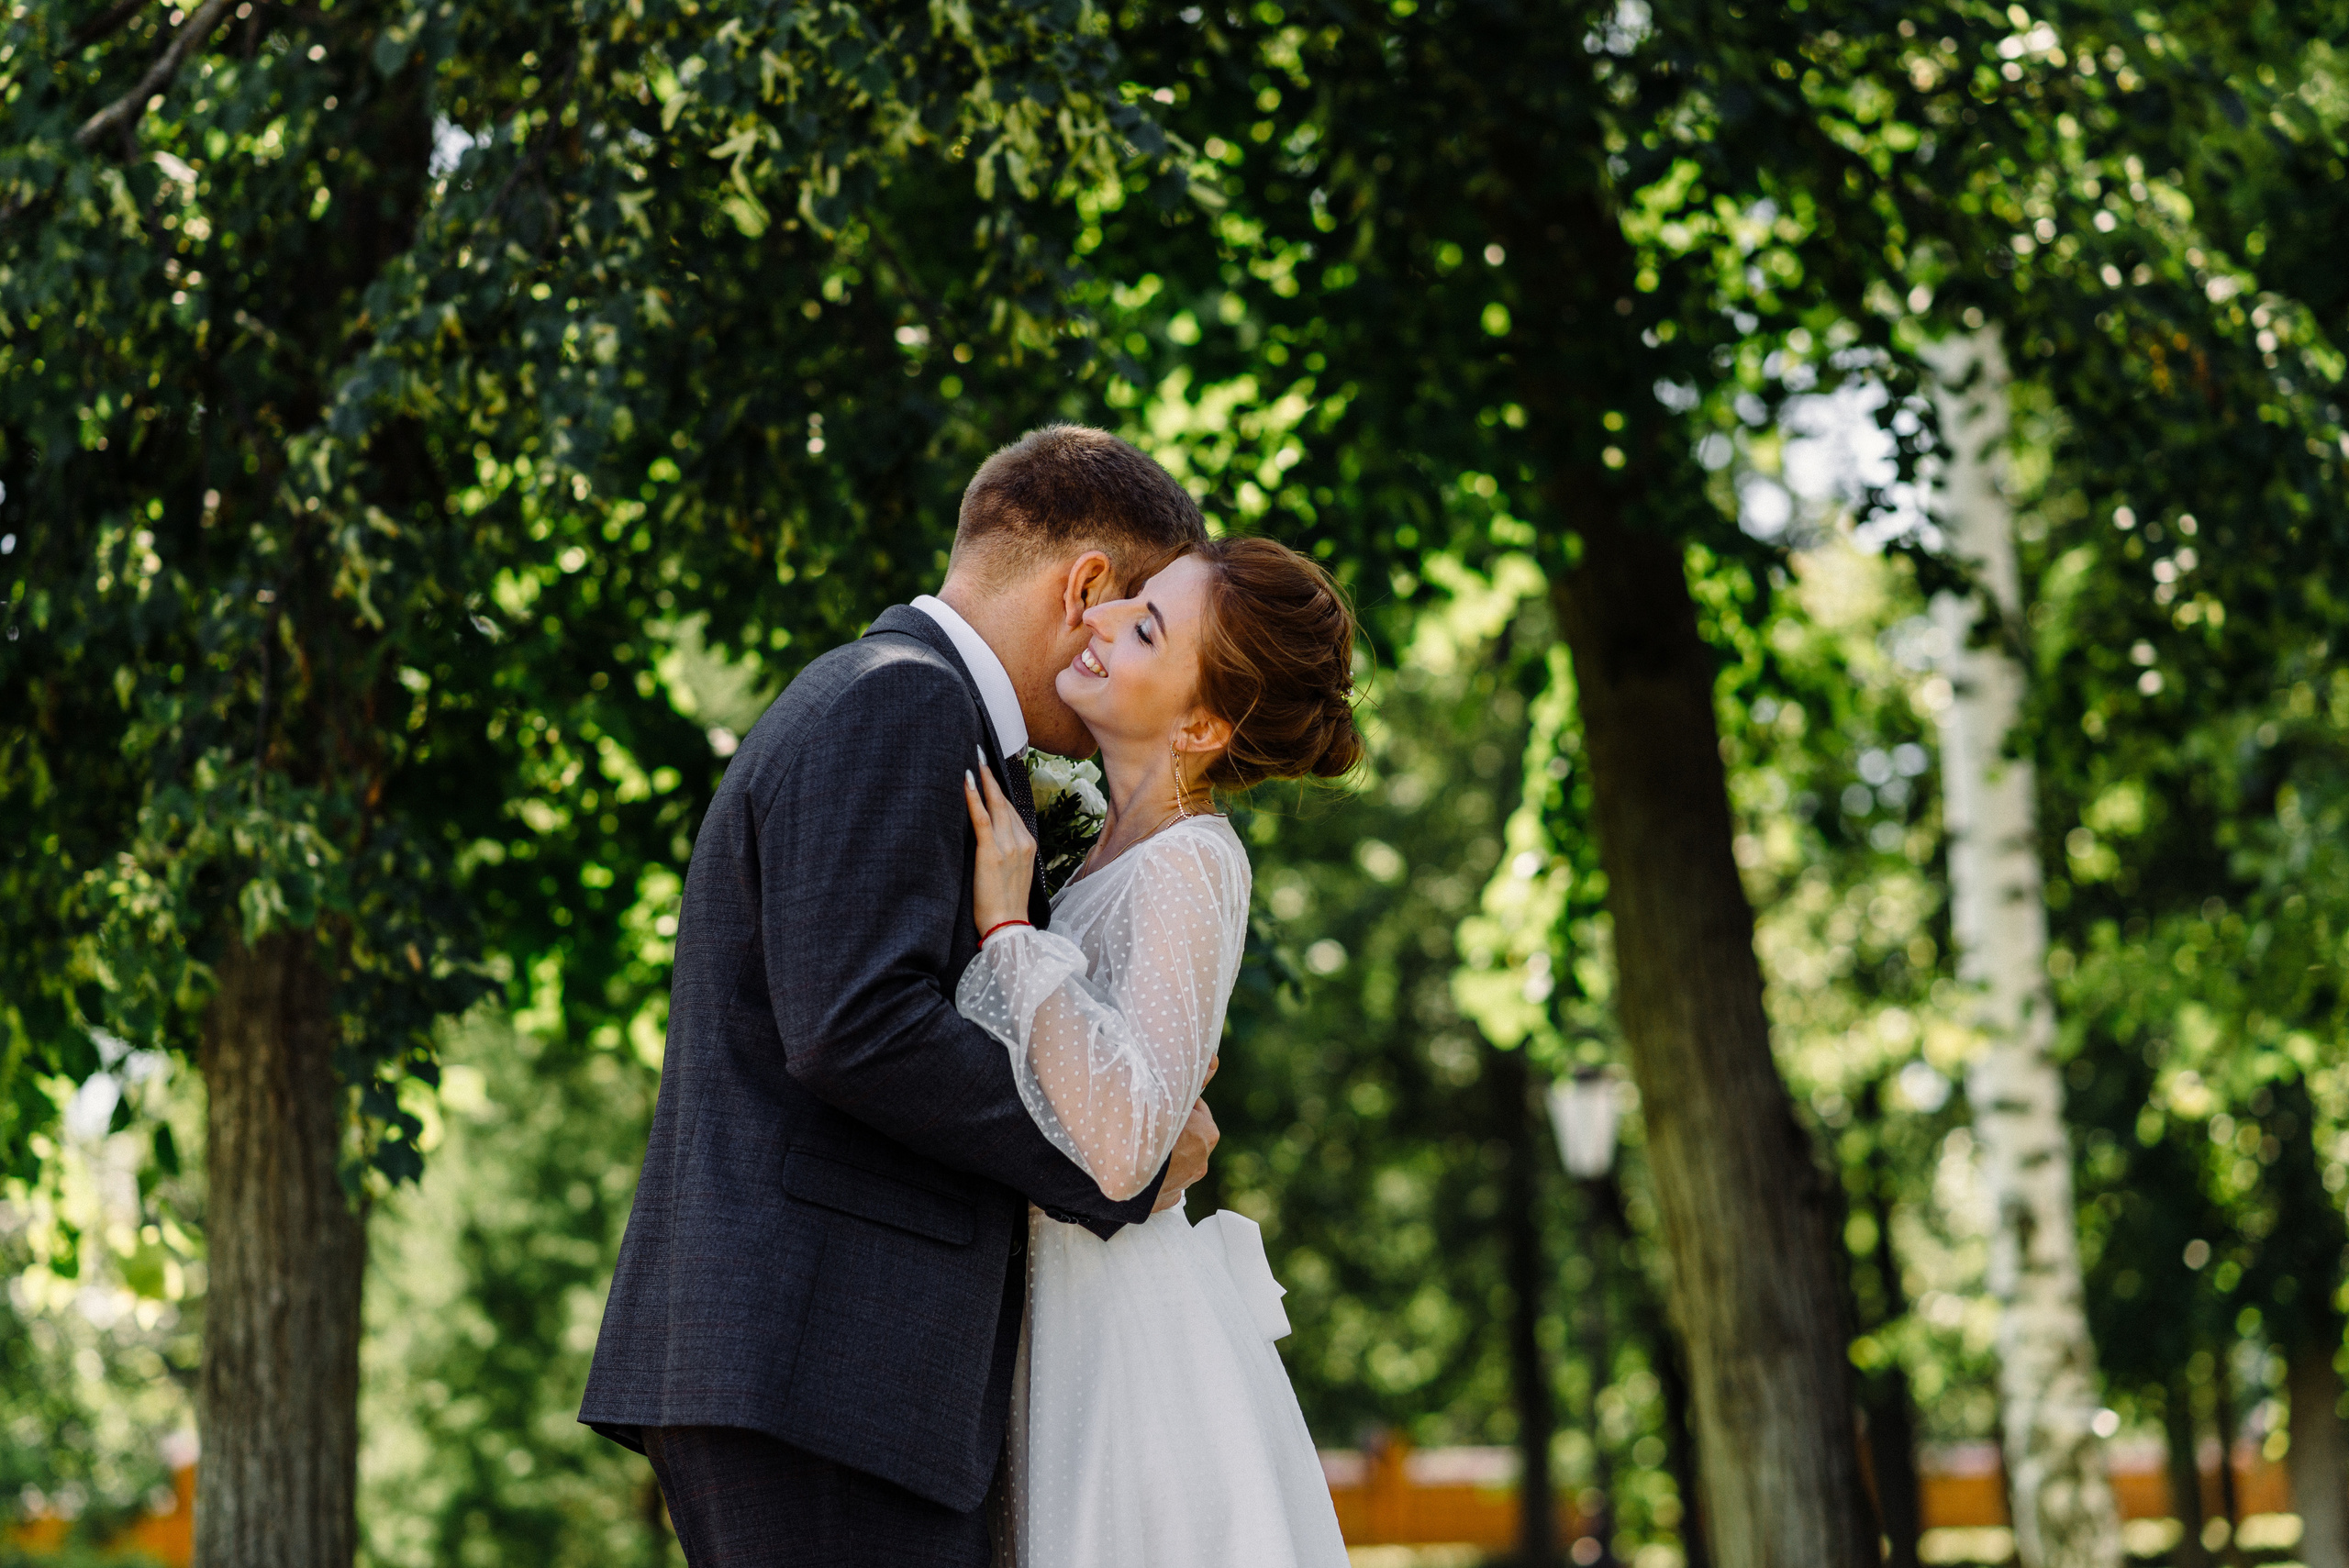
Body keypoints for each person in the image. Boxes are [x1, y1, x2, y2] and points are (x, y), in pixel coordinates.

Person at [580, 425, 1220, 1567]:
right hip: (825, 1366)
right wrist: (1113, 1156)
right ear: (1085, 588)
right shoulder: (902, 701)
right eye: (1136, 615)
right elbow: (859, 1025)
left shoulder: (904, 701)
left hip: (822, 1367)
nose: (1123, 649)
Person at [956, 534, 1361, 1567]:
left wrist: (1010, 932)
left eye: (1143, 627)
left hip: (1117, 1327)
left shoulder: (1193, 862)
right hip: (1056, 1298)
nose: (1095, 617)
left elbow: (1130, 1139)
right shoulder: (1097, 842)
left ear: (1201, 725)